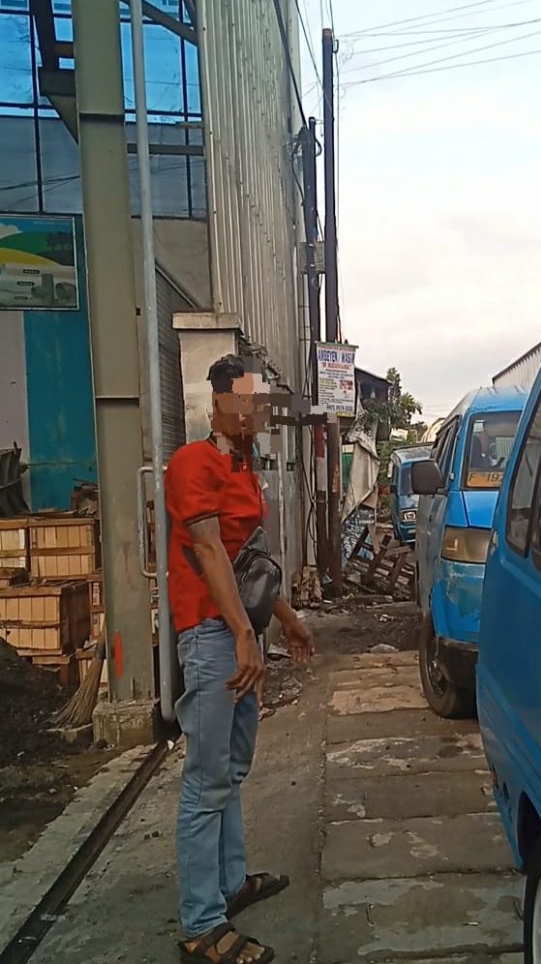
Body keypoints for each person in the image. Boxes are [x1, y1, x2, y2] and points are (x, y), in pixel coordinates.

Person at [165, 354, 314, 964]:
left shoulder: (242, 468)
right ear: (219, 403)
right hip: (211, 637)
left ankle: (229, 884)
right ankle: (201, 924)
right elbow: (207, 551)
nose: (257, 414)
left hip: (239, 634)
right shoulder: (191, 464)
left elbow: (247, 561)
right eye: (248, 402)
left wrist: (286, 619)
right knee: (206, 780)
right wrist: (242, 636)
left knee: (231, 769)